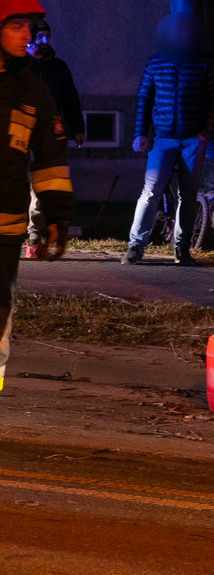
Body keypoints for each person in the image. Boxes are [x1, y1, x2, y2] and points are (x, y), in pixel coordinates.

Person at [0, 0, 72, 393]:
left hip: (5, 228)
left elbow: (50, 159)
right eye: (16, 26)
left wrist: (56, 217)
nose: (27, 36)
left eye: (29, 27)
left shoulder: (33, 90)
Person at [122, 7, 214, 266]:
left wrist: (205, 134)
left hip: (193, 139)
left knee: (188, 195)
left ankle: (182, 249)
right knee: (151, 191)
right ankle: (136, 245)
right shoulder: (156, 62)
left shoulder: (205, 62)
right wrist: (139, 133)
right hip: (163, 138)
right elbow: (144, 97)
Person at [23, 18, 84, 259]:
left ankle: (35, 239)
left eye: (47, 36)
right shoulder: (18, 66)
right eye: (40, 37)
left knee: (41, 189)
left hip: (48, 133)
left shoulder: (58, 68)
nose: (45, 42)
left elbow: (70, 98)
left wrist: (77, 127)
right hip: (18, 132)